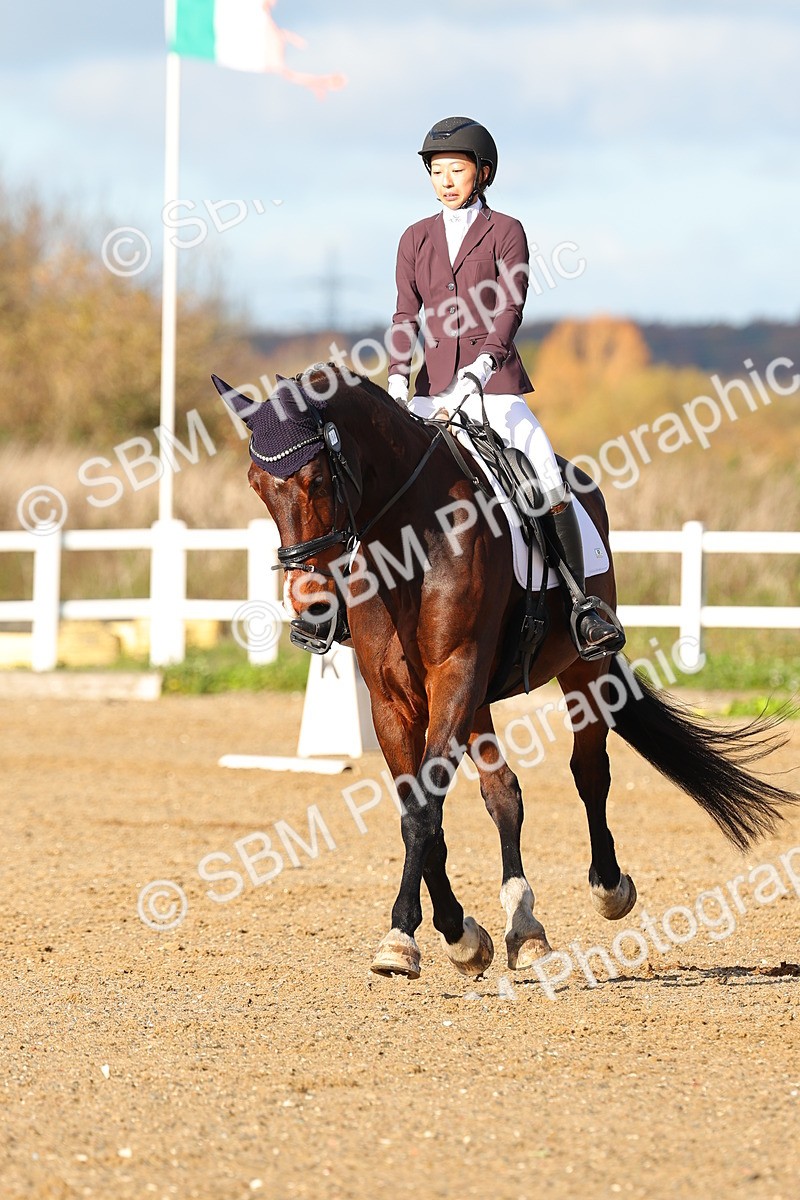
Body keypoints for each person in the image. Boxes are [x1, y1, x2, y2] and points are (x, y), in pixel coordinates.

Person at [386, 115, 624, 658]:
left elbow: (510, 308)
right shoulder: (414, 237)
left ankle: (582, 606)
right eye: (436, 172)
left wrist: (479, 371)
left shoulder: (505, 231)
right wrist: (399, 377)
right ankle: (356, 607)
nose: (446, 181)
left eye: (457, 170)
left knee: (544, 470)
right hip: (429, 391)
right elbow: (405, 314)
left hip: (494, 390)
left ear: (483, 173)